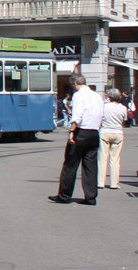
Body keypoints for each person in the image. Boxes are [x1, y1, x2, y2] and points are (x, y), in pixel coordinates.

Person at [50, 74, 104, 205]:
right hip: (94, 132)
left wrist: (71, 132)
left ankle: (64, 195)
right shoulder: (97, 96)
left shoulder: (79, 95)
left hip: (81, 132)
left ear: (75, 84)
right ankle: (91, 197)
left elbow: (77, 115)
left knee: (70, 164)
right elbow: (101, 115)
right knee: (90, 166)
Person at [98, 88, 127, 190]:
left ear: (108, 97)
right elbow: (124, 121)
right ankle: (114, 183)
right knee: (115, 159)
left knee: (102, 158)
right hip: (118, 132)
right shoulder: (123, 108)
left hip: (105, 132)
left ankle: (100, 182)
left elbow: (100, 119)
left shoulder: (104, 107)